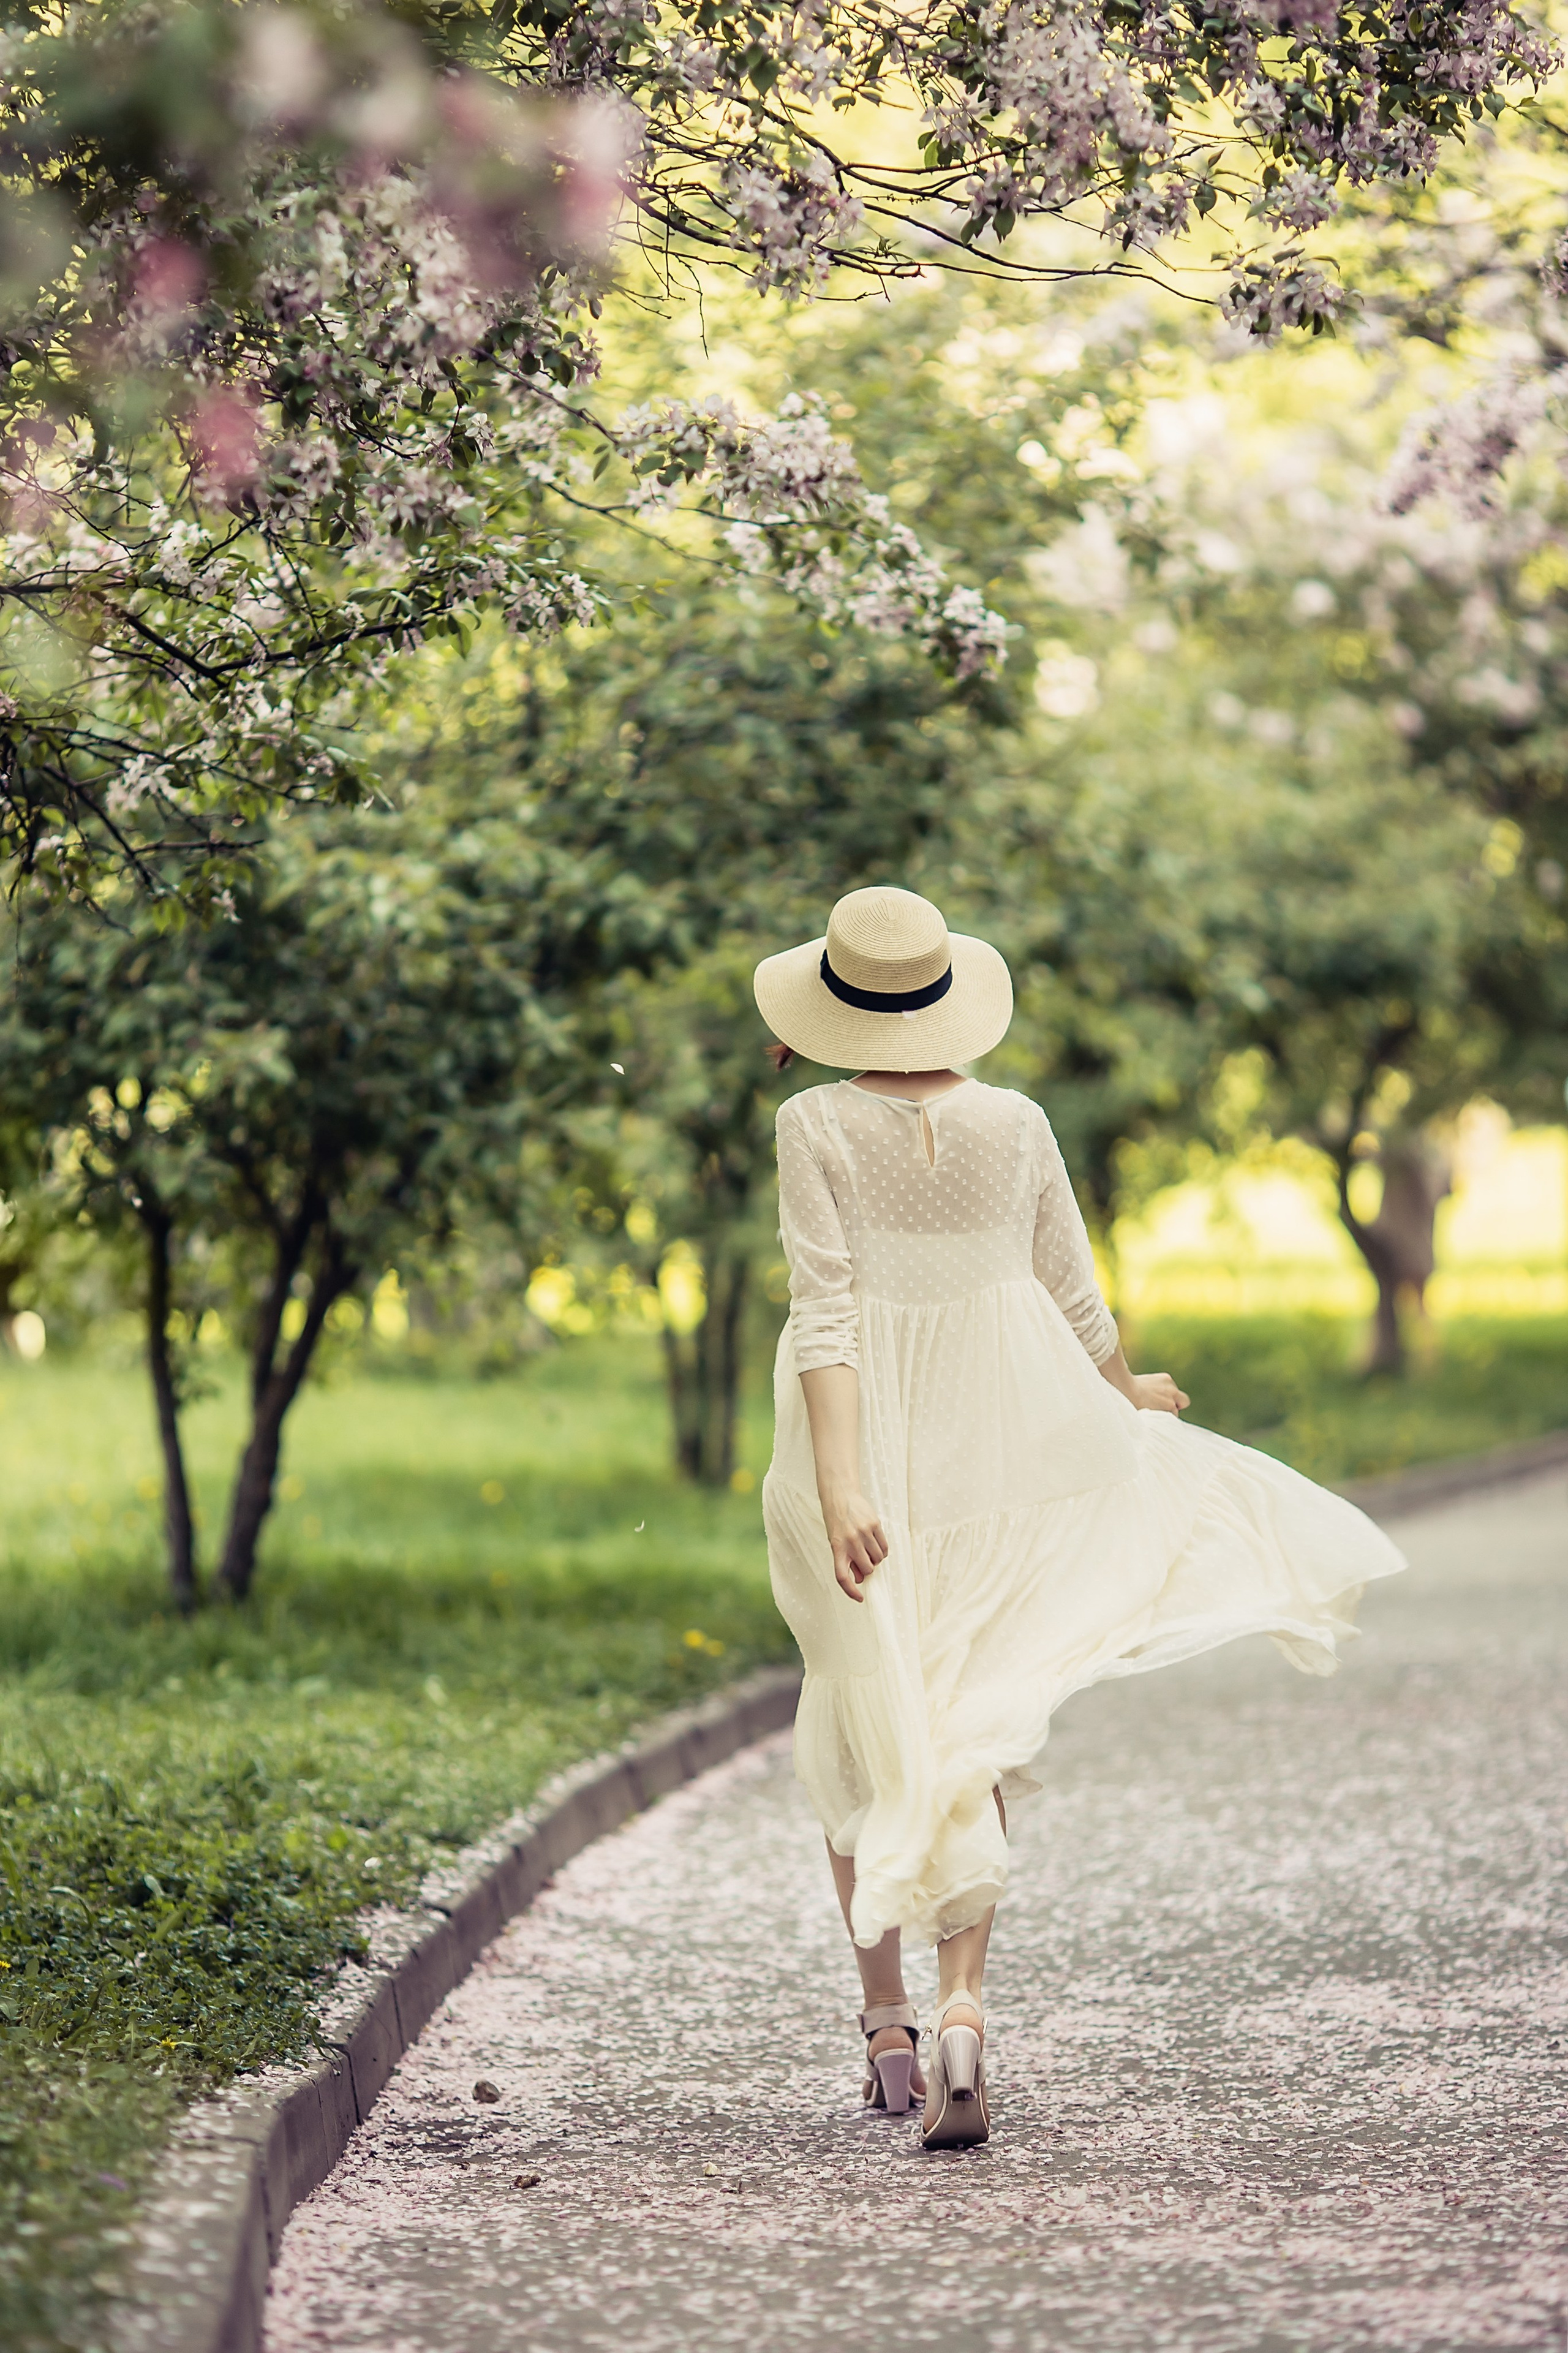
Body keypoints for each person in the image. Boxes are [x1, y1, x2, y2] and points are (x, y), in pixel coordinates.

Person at [754, 885, 1406, 2152]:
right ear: (944, 996)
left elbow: (824, 1313)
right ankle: (963, 2006)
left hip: (862, 1439)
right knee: (975, 1709)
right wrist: (1119, 1390)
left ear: (837, 1005)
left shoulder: (813, 1124)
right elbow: (1070, 1290)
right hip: (1010, 1438)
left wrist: (842, 1486)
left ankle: (882, 2023)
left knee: (863, 1706)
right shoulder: (1019, 1121)